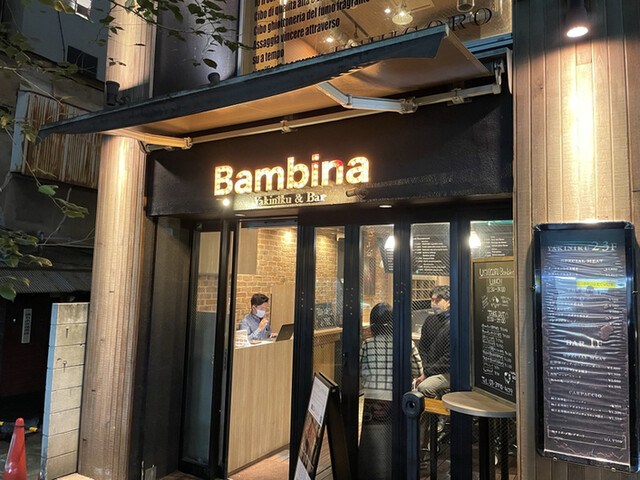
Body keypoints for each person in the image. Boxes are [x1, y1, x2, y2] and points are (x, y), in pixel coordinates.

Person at [359, 302, 422, 480]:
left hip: (373, 398)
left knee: (372, 445)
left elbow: (360, 371)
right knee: (396, 439)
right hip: (397, 397)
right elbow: (418, 370)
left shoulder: (367, 344)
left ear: (373, 324)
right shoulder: (406, 344)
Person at [415, 285, 451, 399]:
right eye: (432, 300)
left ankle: (439, 409)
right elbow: (423, 347)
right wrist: (425, 370)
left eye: (438, 300)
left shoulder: (456, 322)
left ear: (449, 302)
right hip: (429, 369)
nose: (434, 304)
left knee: (424, 388)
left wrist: (427, 374)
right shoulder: (430, 320)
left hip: (448, 372)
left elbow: (449, 358)